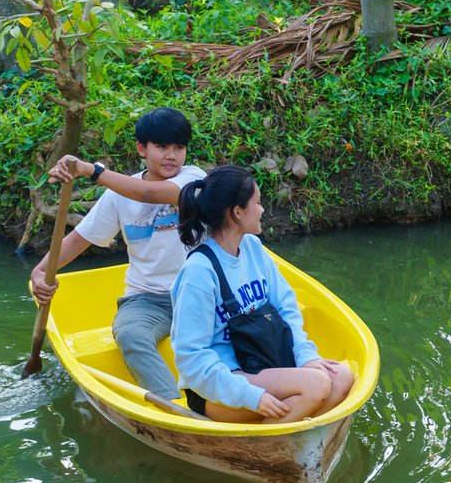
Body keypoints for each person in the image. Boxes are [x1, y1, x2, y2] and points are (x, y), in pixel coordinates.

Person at [30, 107, 205, 400]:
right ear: (141, 148)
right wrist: (38, 272)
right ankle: (172, 405)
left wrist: (91, 170)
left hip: (199, 292)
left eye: (179, 147)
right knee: (130, 335)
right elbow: (78, 239)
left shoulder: (193, 179)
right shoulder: (117, 195)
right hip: (147, 299)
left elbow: (149, 194)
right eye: (161, 146)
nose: (171, 155)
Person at [170, 165, 354, 422]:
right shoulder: (199, 272)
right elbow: (192, 358)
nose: (263, 210)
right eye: (257, 202)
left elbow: (286, 306)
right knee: (316, 386)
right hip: (220, 385)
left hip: (262, 364)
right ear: (237, 212)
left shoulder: (253, 248)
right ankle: (267, 449)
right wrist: (250, 396)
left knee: (341, 376)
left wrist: (305, 357)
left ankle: (285, 433)